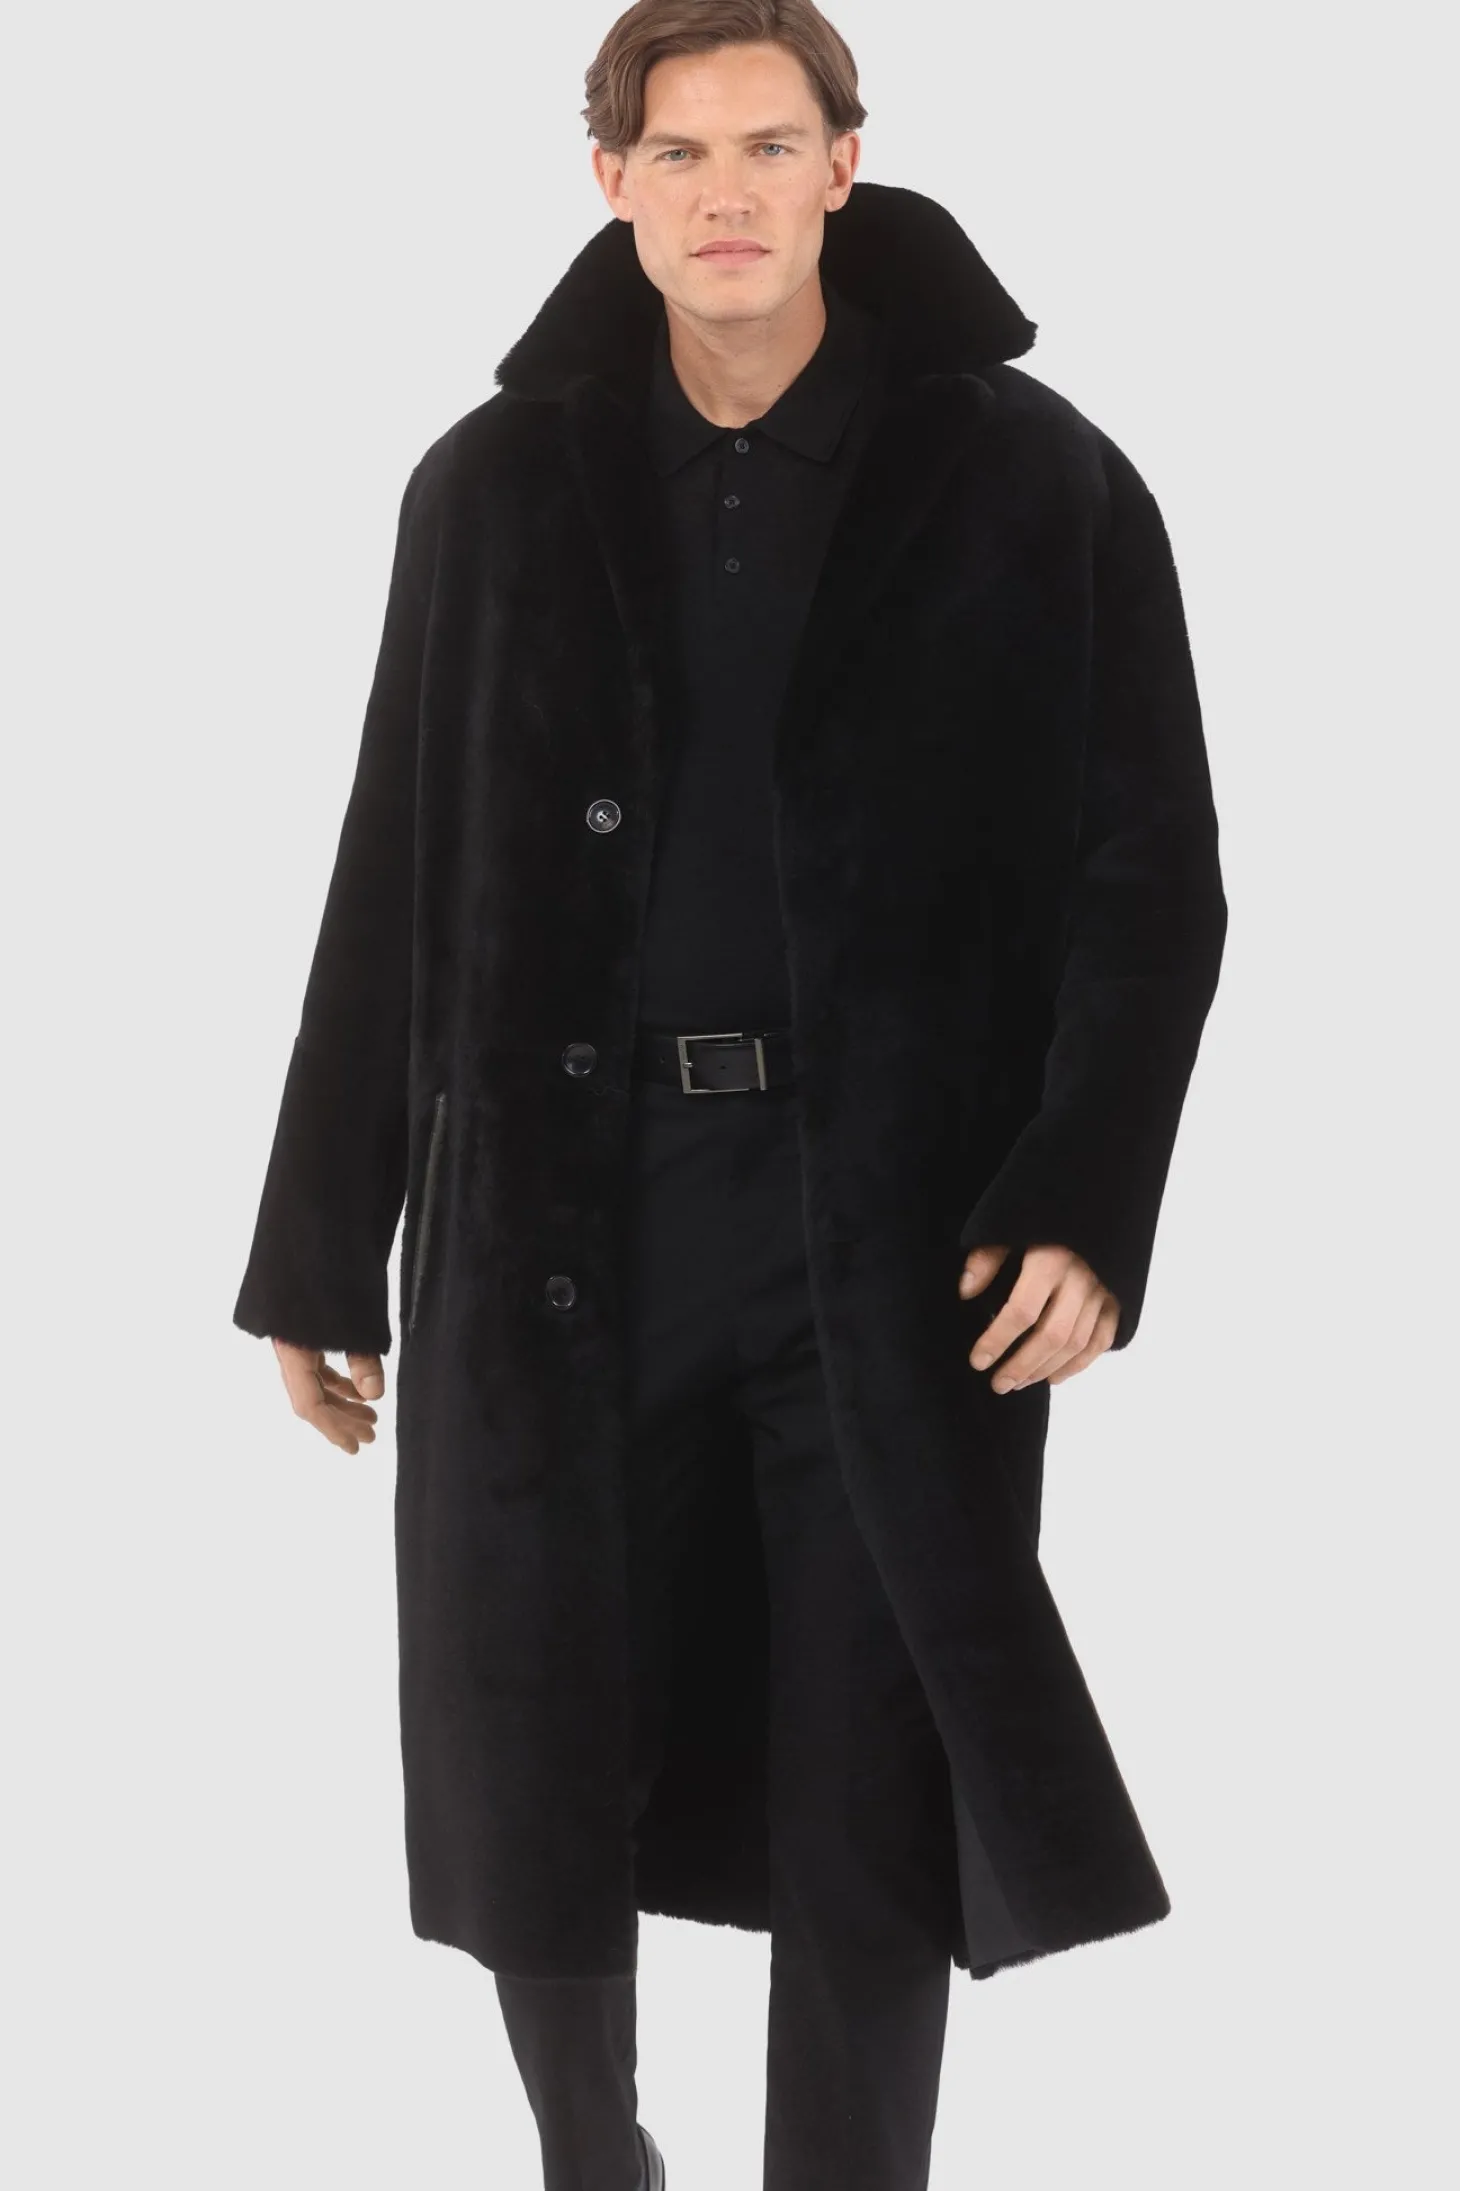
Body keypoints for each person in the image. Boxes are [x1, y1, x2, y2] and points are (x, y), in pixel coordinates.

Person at [232, 5, 1228, 2187]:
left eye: (770, 145)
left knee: (867, 1761)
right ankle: (597, 2162)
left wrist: (1086, 1196)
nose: (725, 196)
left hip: (894, 1227)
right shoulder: (491, 487)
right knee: (534, 1728)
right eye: (677, 154)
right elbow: (394, 871)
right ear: (609, 180)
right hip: (554, 1214)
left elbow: (1151, 880)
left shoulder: (1033, 479)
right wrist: (319, 1239)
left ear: (845, 162)